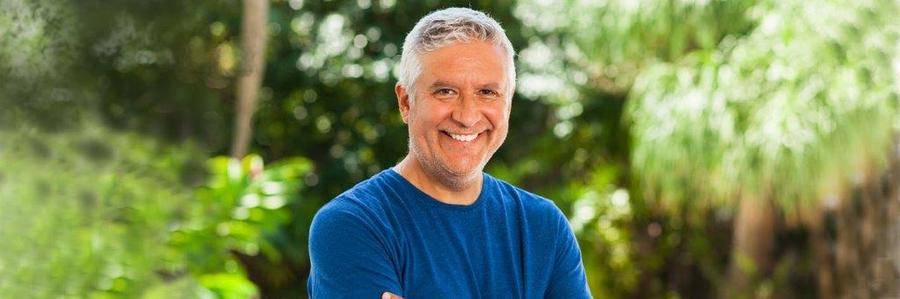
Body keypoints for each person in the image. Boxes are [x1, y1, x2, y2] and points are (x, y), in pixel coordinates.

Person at [306, 7, 591, 299]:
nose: (467, 116)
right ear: (406, 102)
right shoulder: (352, 225)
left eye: (487, 92)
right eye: (445, 91)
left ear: (508, 103)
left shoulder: (543, 226)